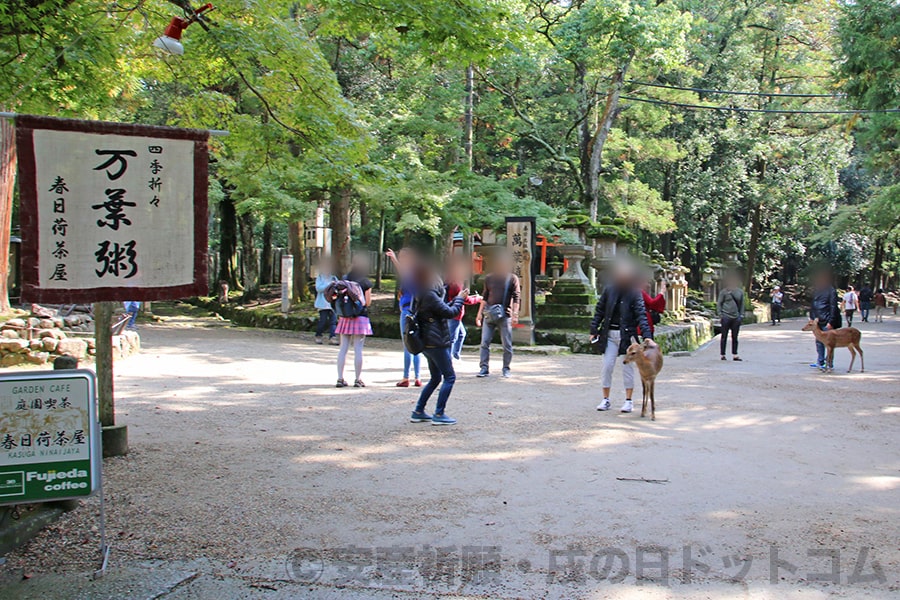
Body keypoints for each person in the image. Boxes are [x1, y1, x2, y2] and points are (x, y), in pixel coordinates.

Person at [410, 260, 469, 426]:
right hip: (436, 342)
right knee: (450, 377)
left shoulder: (421, 293)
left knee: (436, 378)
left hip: (427, 342)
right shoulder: (429, 294)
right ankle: (439, 413)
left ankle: (419, 411)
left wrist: (454, 300)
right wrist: (459, 299)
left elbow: (441, 310)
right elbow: (451, 313)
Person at [590, 261, 652, 413]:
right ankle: (605, 399)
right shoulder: (609, 290)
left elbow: (641, 316)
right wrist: (594, 329)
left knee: (627, 367)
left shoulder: (635, 293)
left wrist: (647, 336)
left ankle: (628, 400)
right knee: (607, 366)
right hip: (609, 334)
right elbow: (600, 310)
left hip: (627, 336)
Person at [475, 251, 520, 378]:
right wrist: (479, 314)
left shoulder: (512, 278)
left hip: (505, 314)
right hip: (489, 313)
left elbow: (517, 297)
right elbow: (485, 296)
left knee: (507, 343)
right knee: (484, 342)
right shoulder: (489, 278)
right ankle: (484, 368)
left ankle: (506, 368)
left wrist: (515, 314)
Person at [335, 255, 373, 388]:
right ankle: (358, 379)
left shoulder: (344, 280)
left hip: (345, 317)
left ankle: (340, 378)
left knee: (343, 349)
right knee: (358, 349)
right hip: (360, 317)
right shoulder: (365, 282)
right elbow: (367, 302)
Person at [386, 248, 421, 387]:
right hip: (416, 311)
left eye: (402, 258)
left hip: (408, 311)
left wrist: (394, 259)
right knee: (416, 344)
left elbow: (403, 272)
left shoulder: (410, 272)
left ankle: (406, 377)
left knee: (408, 344)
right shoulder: (418, 273)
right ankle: (417, 377)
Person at [443, 256, 481, 360]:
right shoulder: (456, 283)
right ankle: (448, 359)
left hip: (453, 313)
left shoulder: (451, 280)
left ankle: (455, 355)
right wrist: (477, 299)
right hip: (455, 314)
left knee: (461, 334)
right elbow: (464, 299)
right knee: (452, 338)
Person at [809, 271, 839, 371]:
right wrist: (812, 317)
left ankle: (829, 362)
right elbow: (813, 304)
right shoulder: (817, 290)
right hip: (817, 320)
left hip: (826, 319)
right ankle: (820, 360)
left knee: (830, 343)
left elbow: (833, 306)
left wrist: (831, 321)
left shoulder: (831, 291)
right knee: (819, 341)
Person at [717, 275, 745, 362]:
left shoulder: (740, 292)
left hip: (736, 317)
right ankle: (723, 354)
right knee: (724, 336)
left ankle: (735, 354)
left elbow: (742, 305)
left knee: (735, 337)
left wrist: (741, 315)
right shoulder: (724, 292)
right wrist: (720, 314)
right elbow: (719, 303)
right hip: (726, 316)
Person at [314, 257, 338, 345]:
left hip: (332, 304)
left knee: (333, 321)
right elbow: (318, 288)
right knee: (323, 321)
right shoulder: (320, 278)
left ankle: (333, 336)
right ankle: (318, 335)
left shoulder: (334, 278)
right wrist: (329, 285)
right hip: (322, 304)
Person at [638, 274, 666, 338]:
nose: (648, 285)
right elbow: (652, 303)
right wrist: (661, 292)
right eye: (646, 282)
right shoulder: (640, 292)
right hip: (644, 321)